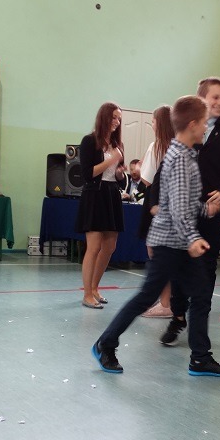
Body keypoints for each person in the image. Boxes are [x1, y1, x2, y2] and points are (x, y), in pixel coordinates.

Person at [92, 95, 220, 377]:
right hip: (170, 242)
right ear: (192, 124)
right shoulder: (180, 158)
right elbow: (178, 208)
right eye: (204, 122)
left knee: (201, 294)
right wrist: (193, 238)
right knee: (147, 296)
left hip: (179, 240)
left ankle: (200, 357)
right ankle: (106, 343)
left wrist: (205, 209)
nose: (206, 127)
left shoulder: (187, 155)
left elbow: (181, 202)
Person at [160, 77, 220, 346]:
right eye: (215, 97)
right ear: (202, 99)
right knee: (179, 263)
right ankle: (178, 316)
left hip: (213, 211)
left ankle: (199, 324)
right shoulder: (187, 128)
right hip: (184, 210)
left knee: (206, 268)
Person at [74, 102, 125, 309]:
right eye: (114, 117)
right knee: (94, 247)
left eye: (119, 118)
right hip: (95, 195)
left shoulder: (117, 144)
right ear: (104, 117)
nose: (117, 122)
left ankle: (95, 288)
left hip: (111, 195)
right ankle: (87, 294)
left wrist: (120, 173)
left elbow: (119, 178)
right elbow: (88, 174)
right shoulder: (89, 141)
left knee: (110, 247)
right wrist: (111, 160)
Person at [138, 105, 175, 319]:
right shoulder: (178, 146)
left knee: (156, 253)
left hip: (156, 201)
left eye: (152, 121)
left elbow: (147, 179)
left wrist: (142, 166)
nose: (151, 124)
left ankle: (165, 302)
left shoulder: (157, 146)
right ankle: (165, 298)